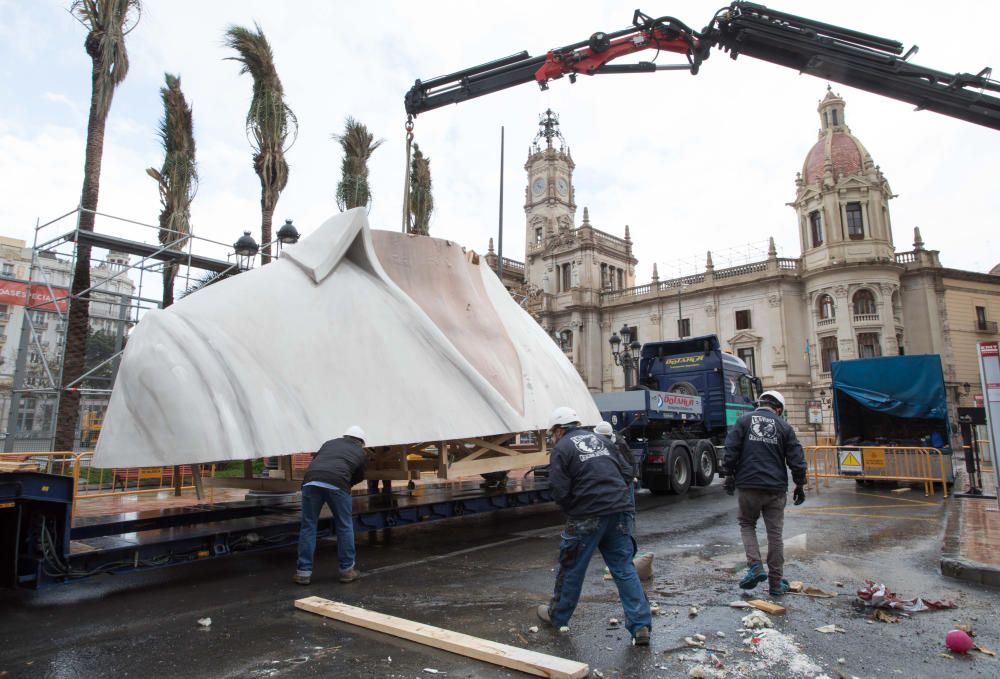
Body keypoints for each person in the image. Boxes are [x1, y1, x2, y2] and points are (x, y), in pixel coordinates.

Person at [537, 407, 652, 646]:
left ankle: (558, 616)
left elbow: (558, 488)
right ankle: (640, 625)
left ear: (559, 430)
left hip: (586, 515)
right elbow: (627, 471)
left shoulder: (562, 448)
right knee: (623, 568)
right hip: (619, 510)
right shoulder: (601, 440)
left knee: (572, 568)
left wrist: (574, 509)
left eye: (553, 433)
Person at [722, 390, 807, 597]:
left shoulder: (743, 422)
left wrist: (729, 475)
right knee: (775, 534)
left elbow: (730, 450)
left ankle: (755, 566)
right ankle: (776, 584)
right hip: (775, 489)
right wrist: (800, 484)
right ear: (778, 409)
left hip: (748, 485)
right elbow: (796, 460)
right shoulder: (784, 427)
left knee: (747, 524)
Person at [294, 426, 368, 585]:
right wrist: (345, 484)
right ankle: (347, 570)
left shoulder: (329, 443)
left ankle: (303, 573)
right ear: (361, 442)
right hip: (337, 484)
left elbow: (316, 461)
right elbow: (360, 476)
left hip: (311, 482)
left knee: (308, 526)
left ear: (345, 436)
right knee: (344, 526)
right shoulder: (361, 452)